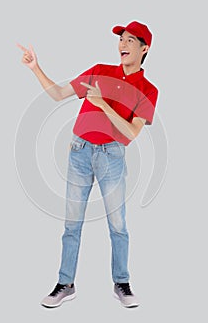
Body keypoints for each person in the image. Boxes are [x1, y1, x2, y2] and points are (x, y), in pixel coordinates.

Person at [17, 20, 158, 308]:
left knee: (118, 225)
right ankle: (65, 284)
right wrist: (35, 68)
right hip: (79, 152)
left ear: (145, 48)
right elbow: (58, 94)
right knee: (72, 224)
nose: (123, 44)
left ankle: (122, 283)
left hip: (112, 156)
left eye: (131, 40)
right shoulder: (99, 71)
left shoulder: (148, 89)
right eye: (121, 39)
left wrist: (103, 104)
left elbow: (131, 133)